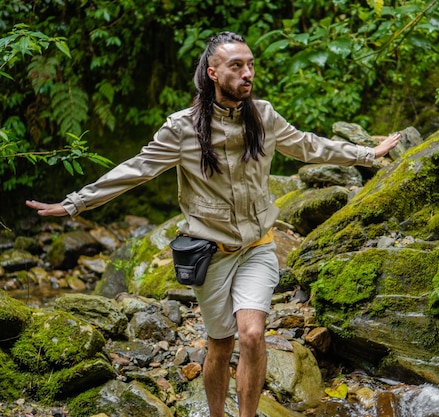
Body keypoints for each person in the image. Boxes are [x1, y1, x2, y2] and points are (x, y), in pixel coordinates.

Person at [26, 31, 400, 417]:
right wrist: (73, 204)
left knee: (253, 336)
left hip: (257, 247)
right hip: (211, 255)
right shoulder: (182, 128)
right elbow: (135, 170)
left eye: (250, 64)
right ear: (212, 73)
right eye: (236, 66)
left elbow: (310, 145)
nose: (247, 73)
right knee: (220, 344)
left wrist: (367, 153)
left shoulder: (264, 116)